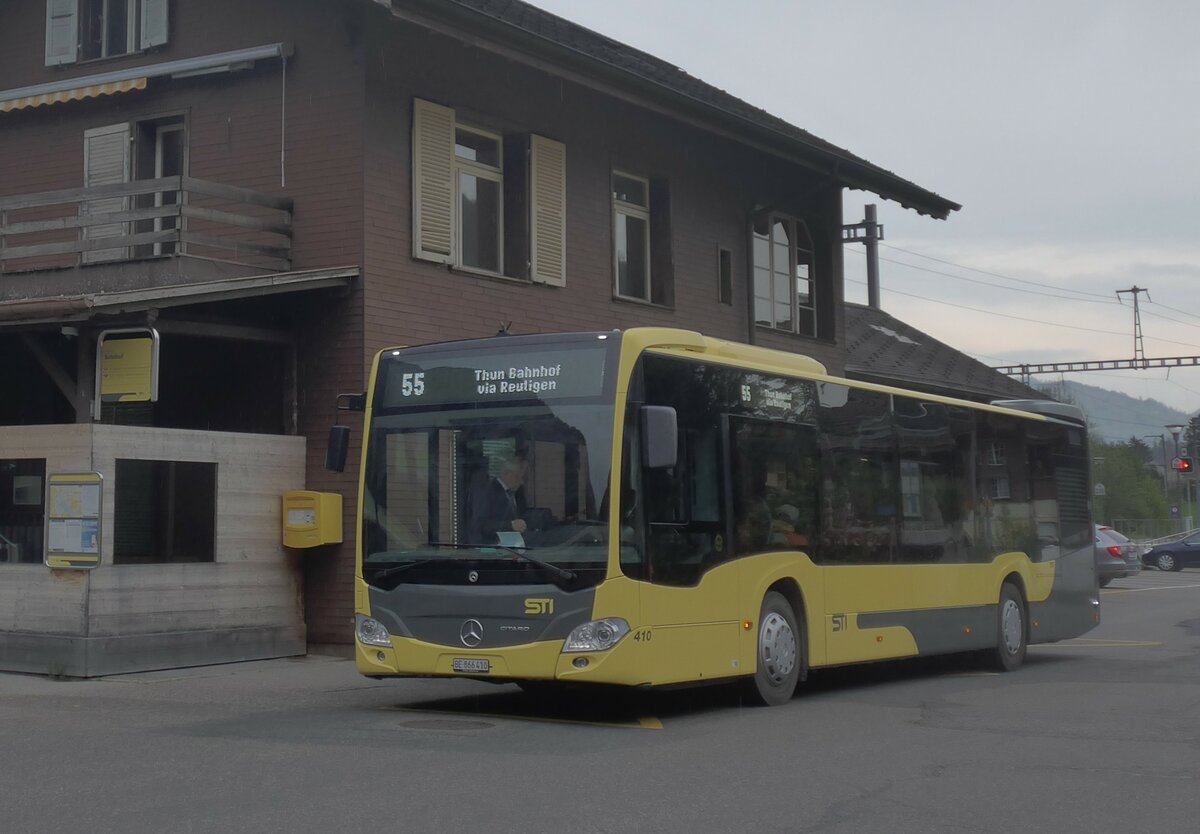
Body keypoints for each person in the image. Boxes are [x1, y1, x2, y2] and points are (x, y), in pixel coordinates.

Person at [467, 457, 528, 544]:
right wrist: (510, 525)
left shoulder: (516, 494)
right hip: (488, 549)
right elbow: (480, 524)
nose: (521, 482)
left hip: (511, 548)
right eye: (518, 476)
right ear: (506, 474)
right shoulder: (487, 492)